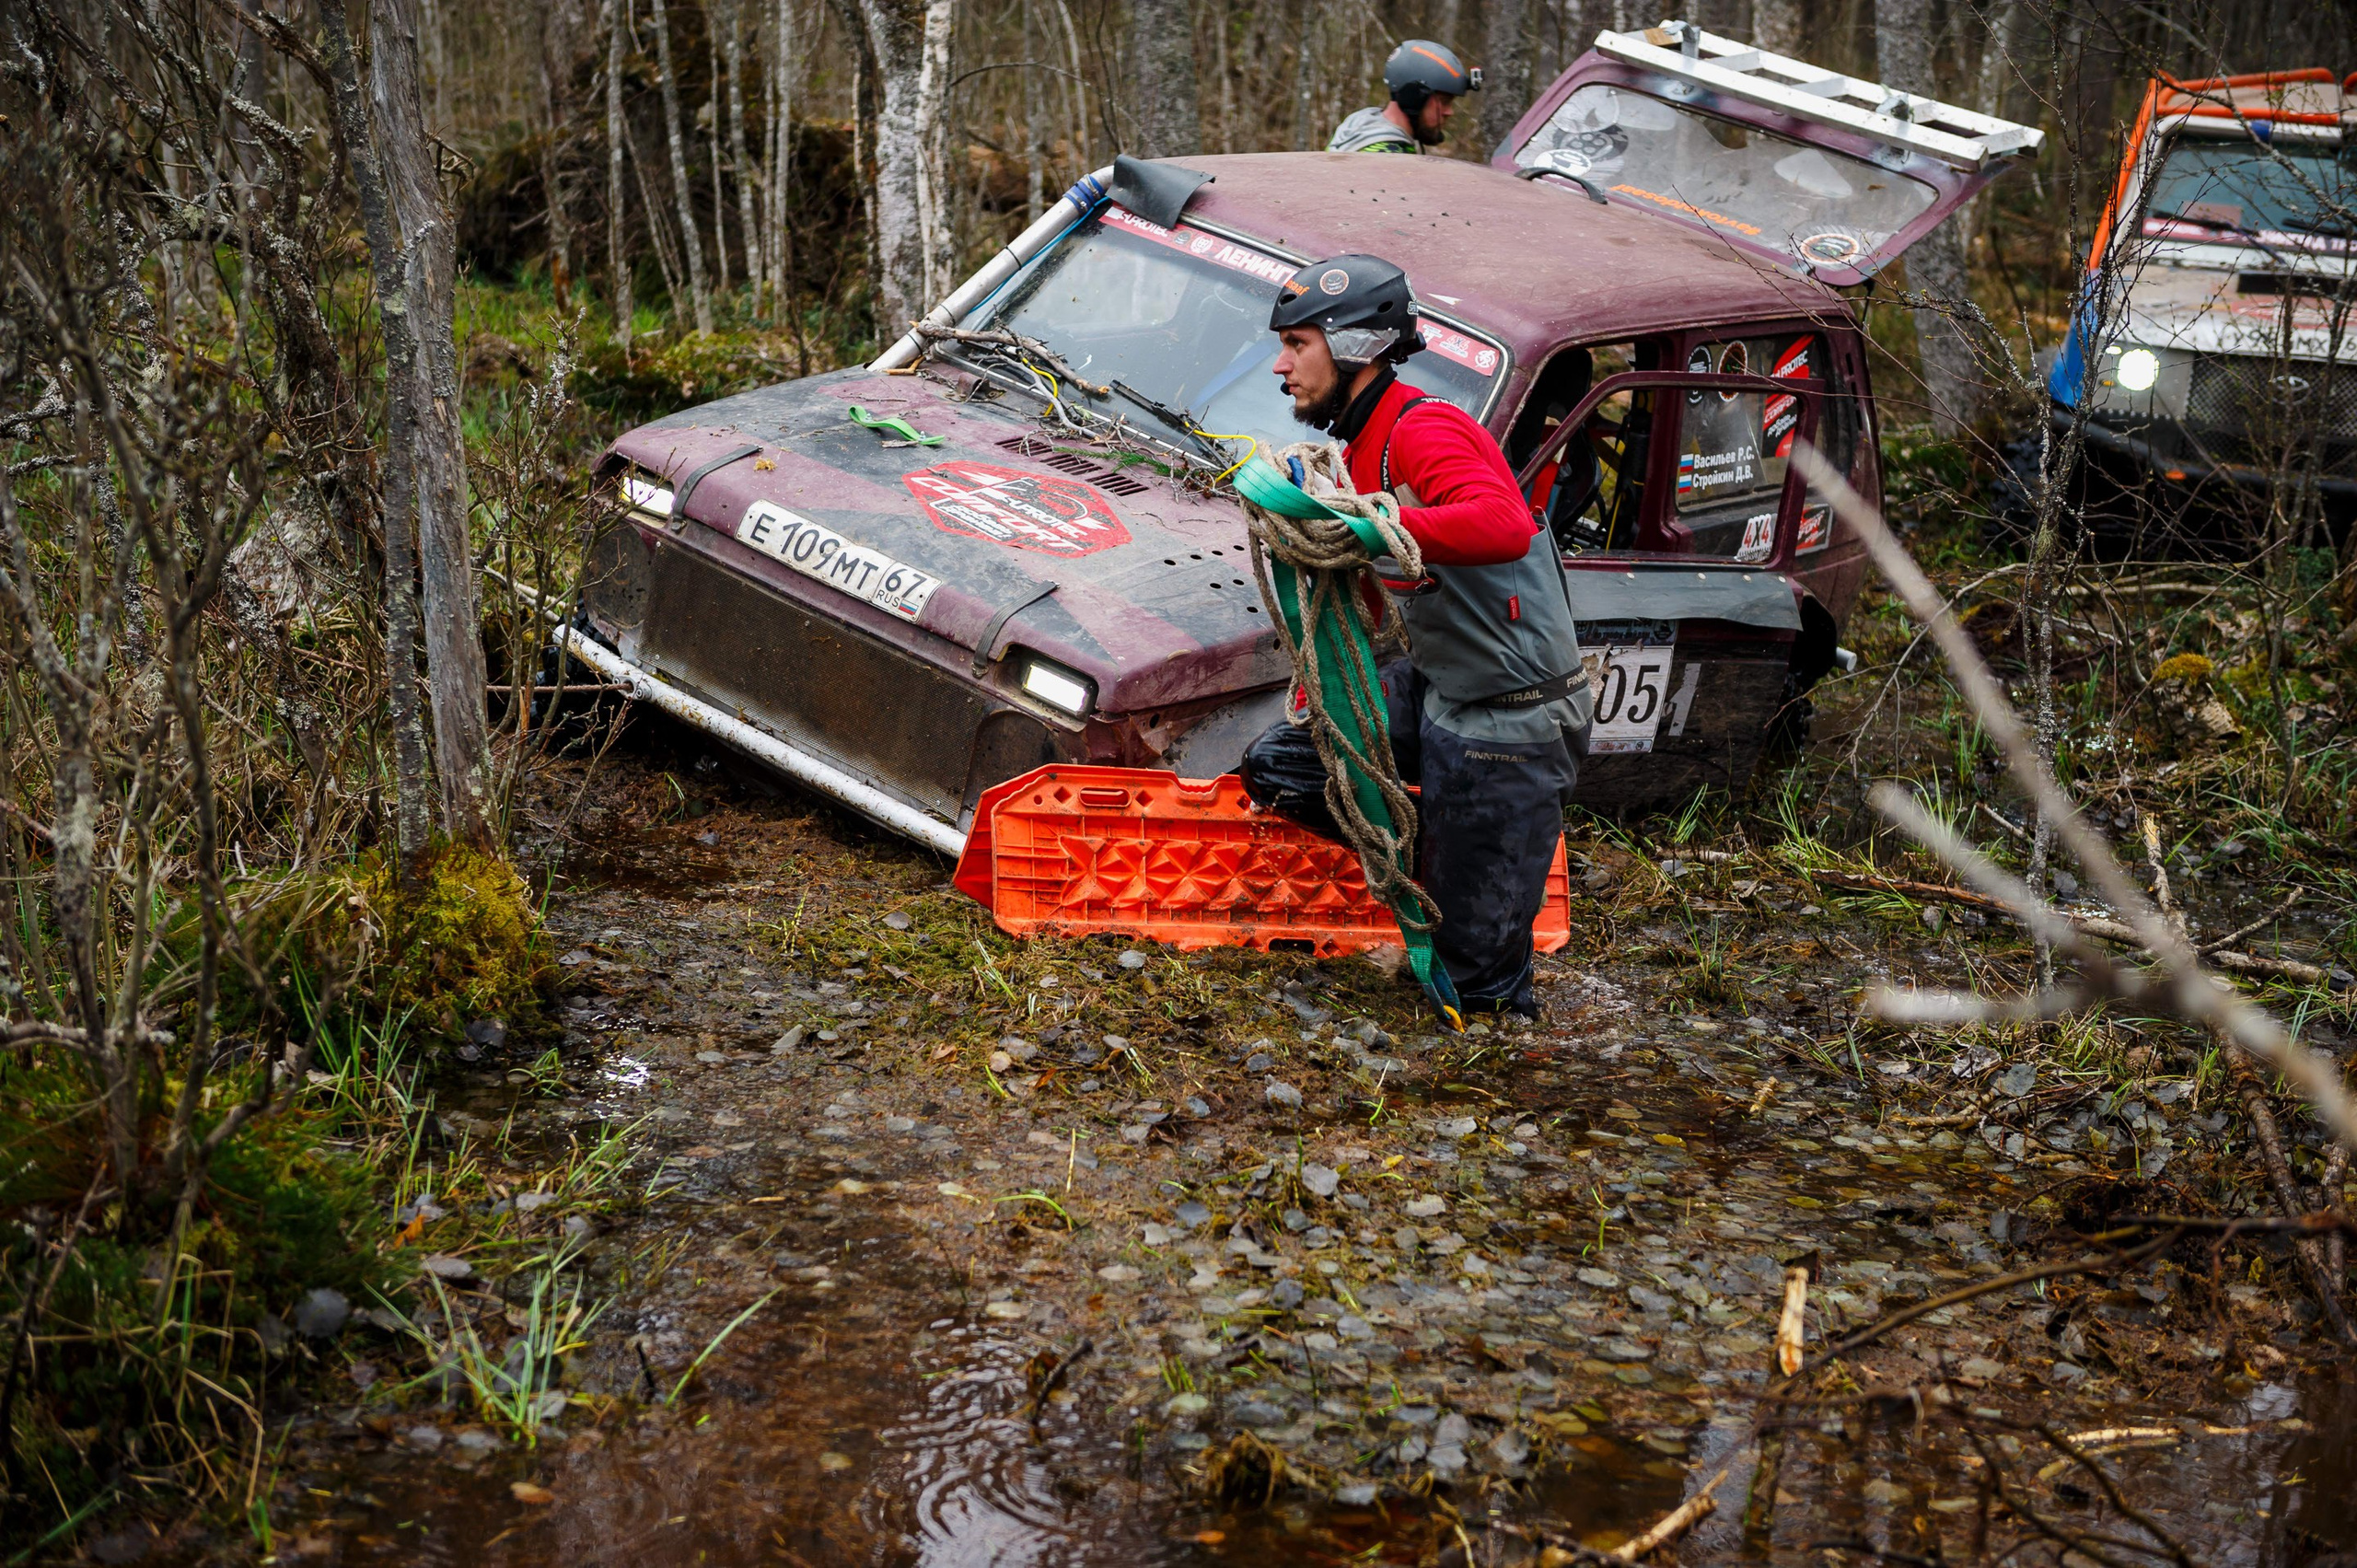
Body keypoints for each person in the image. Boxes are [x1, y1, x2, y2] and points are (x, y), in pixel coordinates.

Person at [1238, 255, 1589, 1021]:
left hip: (1514, 717)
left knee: (1479, 995)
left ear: (1356, 343)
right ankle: (1457, 854)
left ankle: (1479, 864)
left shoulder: (1422, 428)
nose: (1280, 364)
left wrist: (1366, 527)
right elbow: (1372, 594)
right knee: (1284, 762)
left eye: (1298, 343)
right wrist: (1323, 660)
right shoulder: (1357, 448)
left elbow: (1498, 522)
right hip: (1441, 686)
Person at [1329, 40, 1480, 155]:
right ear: (1414, 98)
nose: (1449, 112)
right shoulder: (1387, 159)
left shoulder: (1357, 127)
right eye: (1444, 102)